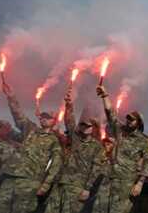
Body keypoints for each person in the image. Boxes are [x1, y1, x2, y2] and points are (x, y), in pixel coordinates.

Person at [0, 79, 63, 213]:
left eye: (48, 117)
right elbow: (19, 115)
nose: (44, 119)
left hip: (30, 181)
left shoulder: (54, 141)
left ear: (54, 121)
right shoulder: (30, 129)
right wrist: (11, 97)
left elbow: (55, 165)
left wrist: (45, 185)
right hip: (10, 177)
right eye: (42, 117)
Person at [44, 85, 105, 213]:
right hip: (60, 183)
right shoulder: (75, 139)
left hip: (77, 187)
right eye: (82, 125)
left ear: (92, 128)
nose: (84, 128)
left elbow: (95, 169)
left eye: (87, 126)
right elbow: (69, 121)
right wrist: (69, 105)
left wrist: (87, 188)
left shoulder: (96, 146)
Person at [96, 81, 148, 213]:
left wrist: (140, 183)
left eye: (132, 119)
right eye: (127, 118)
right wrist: (105, 96)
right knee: (98, 209)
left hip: (125, 182)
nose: (128, 120)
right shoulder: (120, 130)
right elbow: (110, 113)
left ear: (138, 123)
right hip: (109, 177)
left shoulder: (144, 141)